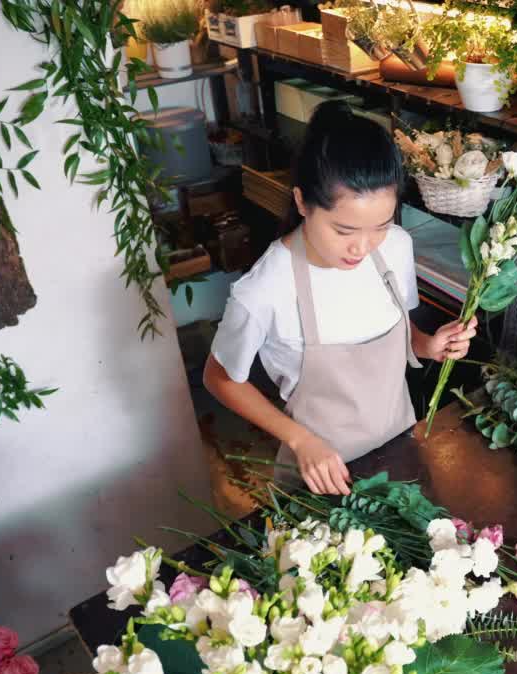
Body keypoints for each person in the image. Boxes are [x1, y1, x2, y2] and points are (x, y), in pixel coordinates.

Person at [204, 101, 478, 495]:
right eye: (344, 230)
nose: (362, 247)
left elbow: (397, 329)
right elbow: (219, 378)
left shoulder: (396, 248)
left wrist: (430, 346)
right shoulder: (266, 288)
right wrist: (300, 440)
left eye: (380, 226)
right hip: (323, 483)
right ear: (302, 202)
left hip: (400, 458)